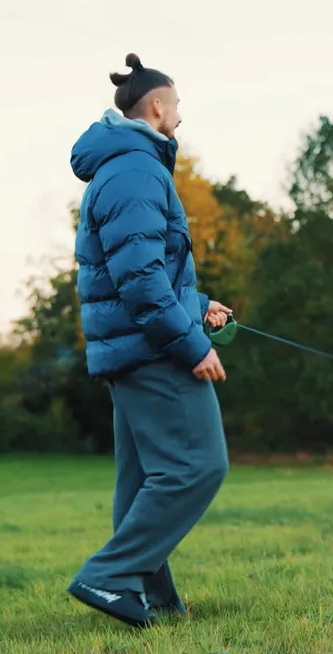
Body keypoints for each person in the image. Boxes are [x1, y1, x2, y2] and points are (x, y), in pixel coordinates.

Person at [66, 52, 233, 628]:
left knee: (142, 479)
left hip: (132, 347)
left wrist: (196, 303)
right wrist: (191, 343)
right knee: (199, 465)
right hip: (151, 349)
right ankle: (108, 577)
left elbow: (143, 272)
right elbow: (138, 283)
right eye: (177, 105)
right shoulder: (137, 170)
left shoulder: (124, 167)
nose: (181, 115)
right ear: (157, 107)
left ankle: (149, 594)